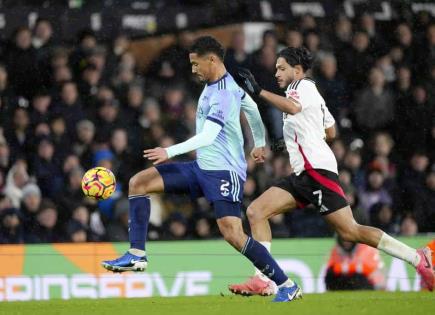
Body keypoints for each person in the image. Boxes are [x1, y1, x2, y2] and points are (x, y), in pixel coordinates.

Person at [101, 36, 302, 302]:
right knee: (139, 182)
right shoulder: (221, 85)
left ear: (212, 60)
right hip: (201, 168)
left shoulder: (222, 93)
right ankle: (137, 255)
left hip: (224, 173)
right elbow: (252, 108)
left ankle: (286, 284)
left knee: (233, 234)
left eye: (196, 64)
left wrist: (168, 151)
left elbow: (208, 136)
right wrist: (259, 143)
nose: (193, 69)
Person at [229, 46, 435, 296]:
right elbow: (331, 132)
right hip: (303, 173)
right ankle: (262, 278)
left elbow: (293, 109)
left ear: (297, 70)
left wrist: (258, 91)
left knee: (351, 230)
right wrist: (297, 139)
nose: (277, 73)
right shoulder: (313, 92)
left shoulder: (300, 87)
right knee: (256, 211)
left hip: (316, 171)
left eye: (281, 68)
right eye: (275, 69)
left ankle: (417, 257)